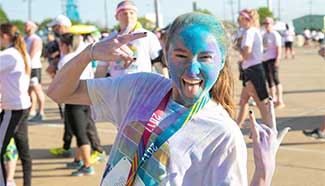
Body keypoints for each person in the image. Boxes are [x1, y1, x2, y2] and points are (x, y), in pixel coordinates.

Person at [47, 12, 290, 185]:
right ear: (165, 54)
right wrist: (89, 54)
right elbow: (59, 92)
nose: (192, 70)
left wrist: (263, 173)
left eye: (205, 58)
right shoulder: (141, 87)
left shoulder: (223, 134)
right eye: (181, 55)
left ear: (222, 60)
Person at [47, 16, 105, 163]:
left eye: (56, 27)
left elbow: (62, 80)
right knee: (78, 127)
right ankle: (78, 157)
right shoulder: (74, 51)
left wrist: (55, 70)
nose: (54, 31)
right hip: (85, 92)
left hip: (75, 97)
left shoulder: (68, 55)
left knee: (82, 132)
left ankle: (90, 159)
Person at [97, 0, 166, 78]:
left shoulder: (148, 36)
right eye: (124, 13)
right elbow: (101, 68)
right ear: (116, 17)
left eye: (131, 13)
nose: (128, 16)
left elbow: (159, 63)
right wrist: (95, 89)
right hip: (118, 87)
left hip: (143, 86)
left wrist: (168, 86)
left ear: (136, 15)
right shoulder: (109, 40)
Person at [0, 23, 32, 186]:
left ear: (4, 36)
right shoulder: (22, 52)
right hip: (22, 105)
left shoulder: (9, 54)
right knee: (24, 151)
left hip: (12, 109)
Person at [236, 9, 269, 128]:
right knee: (244, 100)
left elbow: (247, 50)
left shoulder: (249, 32)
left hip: (252, 69)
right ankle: (237, 125)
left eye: (240, 19)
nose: (238, 22)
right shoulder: (253, 30)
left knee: (259, 101)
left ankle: (269, 128)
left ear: (247, 20)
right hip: (252, 68)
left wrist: (241, 57)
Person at [24, 21, 46, 121]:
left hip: (34, 67)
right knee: (30, 91)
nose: (25, 27)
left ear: (33, 27)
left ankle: (41, 112)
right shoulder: (25, 38)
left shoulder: (36, 39)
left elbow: (32, 54)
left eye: (27, 25)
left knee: (37, 89)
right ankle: (32, 111)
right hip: (27, 67)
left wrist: (25, 63)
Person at [262, 17, 285, 109]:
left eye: (268, 23)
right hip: (265, 59)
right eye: (265, 23)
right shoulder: (264, 35)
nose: (266, 25)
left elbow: (279, 47)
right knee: (268, 80)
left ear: (272, 24)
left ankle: (280, 100)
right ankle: (273, 99)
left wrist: (278, 59)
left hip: (273, 59)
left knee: (275, 79)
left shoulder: (275, 34)